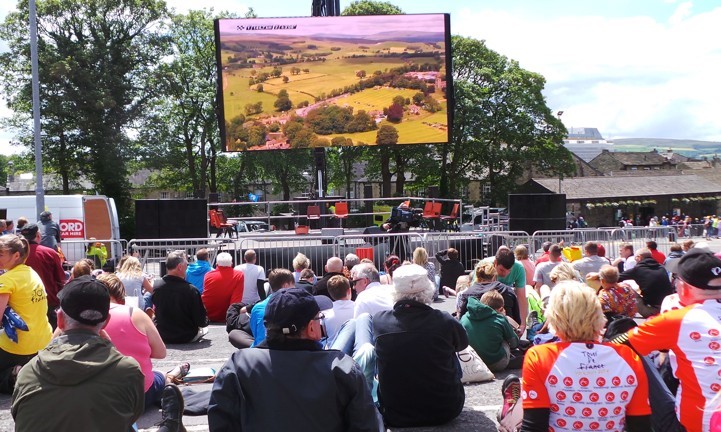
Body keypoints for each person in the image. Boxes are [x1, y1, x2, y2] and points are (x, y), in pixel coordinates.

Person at [208, 288, 383, 431]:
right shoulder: (341, 367)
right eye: (319, 318)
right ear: (311, 327)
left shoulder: (238, 365)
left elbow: (221, 422)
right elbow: (366, 425)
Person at [11, 275, 145, 431]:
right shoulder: (127, 371)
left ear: (60, 320)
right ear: (106, 322)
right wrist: (112, 352)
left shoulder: (28, 372)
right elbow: (133, 413)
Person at [519, 281, 651, 431]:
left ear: (555, 318)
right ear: (598, 314)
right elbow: (641, 425)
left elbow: (534, 426)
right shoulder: (628, 357)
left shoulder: (539, 356)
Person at [616, 248, 721, 431]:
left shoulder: (679, 319)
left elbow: (618, 345)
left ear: (683, 286)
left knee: (620, 338)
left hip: (698, 421)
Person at [373, 264, 468, 427]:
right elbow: (462, 344)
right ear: (428, 289)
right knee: (448, 348)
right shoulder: (444, 320)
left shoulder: (379, 320)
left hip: (395, 413)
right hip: (445, 410)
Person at [97, 273, 171, 409]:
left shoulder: (77, 318)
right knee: (162, 375)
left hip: (96, 398)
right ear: (120, 295)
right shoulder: (135, 313)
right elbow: (161, 353)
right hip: (137, 395)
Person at [0, 234, 53, 394]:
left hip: (19, 346)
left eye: (1, 254)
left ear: (16, 255)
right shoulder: (31, 273)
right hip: (43, 342)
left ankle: (16, 373)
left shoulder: (8, 280)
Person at [151, 250, 209, 344]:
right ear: (179, 267)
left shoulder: (156, 286)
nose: (188, 267)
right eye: (186, 264)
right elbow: (201, 321)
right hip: (186, 335)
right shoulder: (191, 290)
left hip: (162, 335)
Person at [461, 290, 521, 372]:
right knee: (505, 337)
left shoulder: (465, 317)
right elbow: (514, 343)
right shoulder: (500, 319)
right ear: (501, 309)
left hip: (472, 362)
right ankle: (509, 360)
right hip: (496, 364)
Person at [18, 223, 65, 329]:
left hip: (22, 303)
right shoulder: (49, 253)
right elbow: (60, 279)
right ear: (38, 235)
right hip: (48, 302)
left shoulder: (16, 255)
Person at [479, 247, 528, 335]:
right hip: (485, 300)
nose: (505, 274)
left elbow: (521, 298)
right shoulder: (484, 265)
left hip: (505, 300)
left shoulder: (519, 268)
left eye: (509, 271)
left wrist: (523, 324)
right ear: (495, 263)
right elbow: (476, 291)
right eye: (502, 270)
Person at [457, 260, 520, 326]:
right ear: (494, 277)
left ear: (477, 277)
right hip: (502, 333)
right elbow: (517, 320)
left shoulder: (467, 293)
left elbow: (461, 320)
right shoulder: (507, 290)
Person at [619, 248, 673, 318]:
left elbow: (615, 278)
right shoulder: (661, 267)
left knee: (627, 288)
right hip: (667, 308)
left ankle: (622, 311)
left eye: (635, 258)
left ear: (639, 257)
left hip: (652, 310)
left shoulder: (638, 269)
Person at [249, 268, 296, 347]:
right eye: (293, 285)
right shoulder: (293, 304)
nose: (295, 288)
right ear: (286, 286)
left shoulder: (257, 307)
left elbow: (254, 331)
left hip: (258, 348)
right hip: (282, 349)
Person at [202, 252, 244, 323]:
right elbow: (236, 298)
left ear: (217, 263)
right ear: (231, 263)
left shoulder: (208, 275)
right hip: (226, 314)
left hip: (207, 313)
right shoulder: (239, 275)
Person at [324, 274, 355, 344]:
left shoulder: (325, 313)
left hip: (332, 348)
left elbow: (326, 334)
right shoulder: (358, 306)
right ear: (349, 291)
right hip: (353, 349)